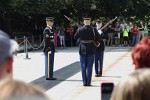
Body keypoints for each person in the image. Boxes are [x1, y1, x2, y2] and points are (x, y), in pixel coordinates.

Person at [74, 17, 101, 86]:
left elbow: (75, 37)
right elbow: (98, 38)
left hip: (82, 49)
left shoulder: (80, 29)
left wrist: (81, 39)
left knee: (83, 66)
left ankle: (84, 82)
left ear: (84, 22)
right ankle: (88, 82)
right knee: (90, 66)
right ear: (90, 21)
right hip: (91, 49)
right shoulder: (93, 29)